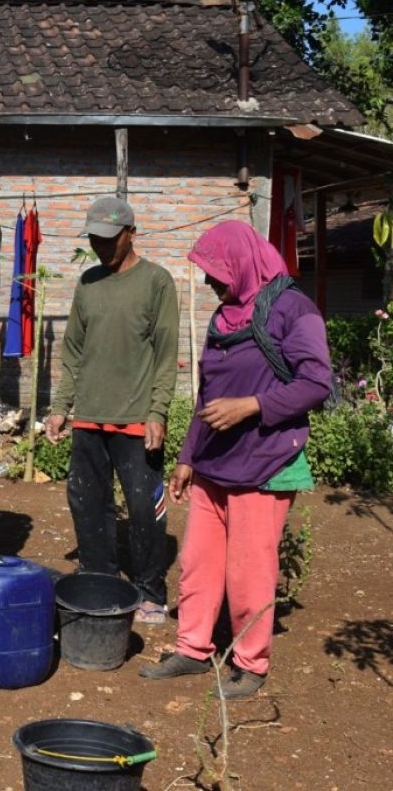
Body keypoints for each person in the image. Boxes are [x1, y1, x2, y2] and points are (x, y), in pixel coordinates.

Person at [140, 220, 331, 698]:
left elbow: (316, 382)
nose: (209, 283)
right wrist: (187, 456)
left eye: (217, 272)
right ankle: (192, 649)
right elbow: (211, 393)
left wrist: (253, 406)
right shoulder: (224, 317)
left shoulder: (293, 309)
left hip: (265, 462)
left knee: (249, 571)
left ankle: (251, 662)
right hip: (214, 464)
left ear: (243, 264)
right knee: (198, 562)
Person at [45, 197, 178, 625]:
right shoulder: (88, 284)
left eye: (109, 239)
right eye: (94, 239)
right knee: (87, 502)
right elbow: (73, 354)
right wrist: (61, 406)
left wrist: (158, 412)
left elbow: (164, 355)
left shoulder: (157, 282)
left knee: (143, 508)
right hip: (89, 418)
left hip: (136, 418)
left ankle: (150, 591)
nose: (101, 247)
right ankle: (99, 579)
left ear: (131, 233)